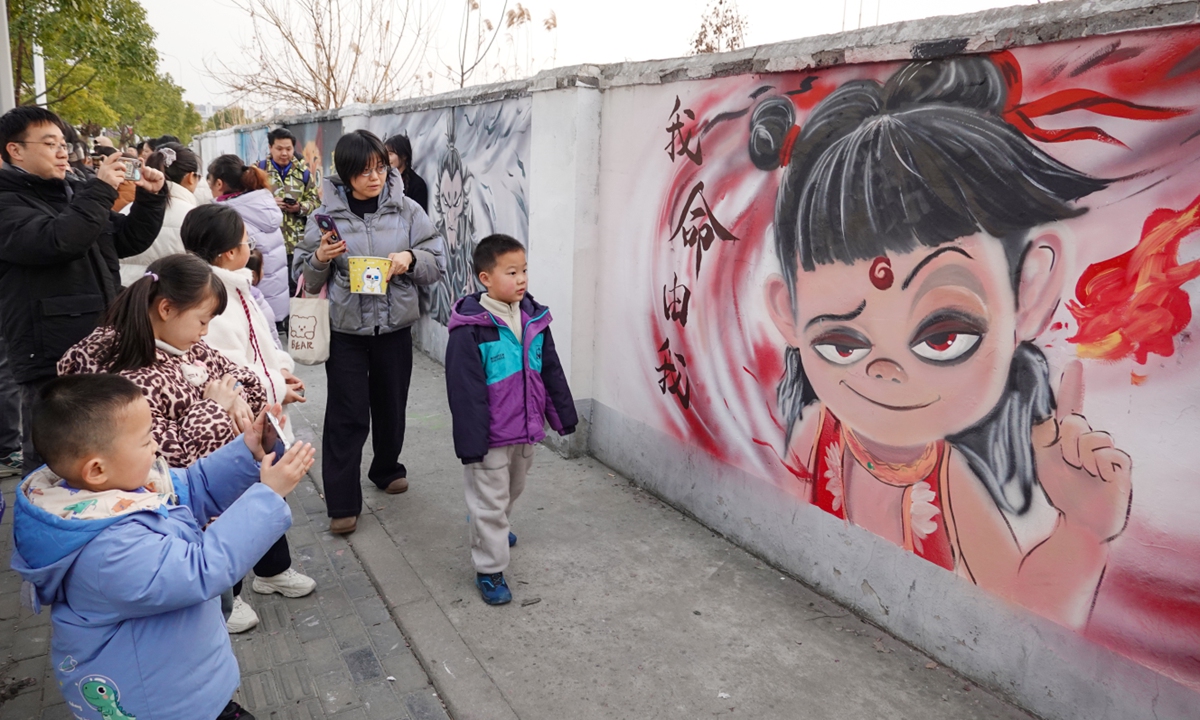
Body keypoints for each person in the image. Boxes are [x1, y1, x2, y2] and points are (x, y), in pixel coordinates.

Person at [750, 56, 1132, 629]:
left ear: (1029, 289)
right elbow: (780, 514)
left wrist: (1084, 531)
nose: (883, 370)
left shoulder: (948, 482)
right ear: (788, 313)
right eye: (842, 342)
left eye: (943, 335)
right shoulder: (818, 433)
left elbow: (1026, 611)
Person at [11, 373, 314, 720]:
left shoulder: (110, 492)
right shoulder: (106, 551)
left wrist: (247, 450)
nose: (155, 446)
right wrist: (268, 496)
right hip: (158, 706)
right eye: (145, 441)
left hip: (177, 684)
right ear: (96, 469)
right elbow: (202, 569)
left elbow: (194, 486)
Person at [57, 253, 315, 631]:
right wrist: (213, 406)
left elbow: (240, 376)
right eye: (202, 320)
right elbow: (167, 463)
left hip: (200, 497)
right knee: (201, 596)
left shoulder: (175, 344)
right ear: (165, 308)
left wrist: (235, 399)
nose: (205, 332)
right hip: (168, 515)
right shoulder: (122, 378)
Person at [0, 105, 167, 475]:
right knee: (53, 465)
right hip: (51, 356)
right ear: (15, 150)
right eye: (50, 144)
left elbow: (125, 239)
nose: (64, 152)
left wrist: (151, 199)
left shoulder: (74, 189)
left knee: (103, 458)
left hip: (102, 342)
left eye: (64, 143)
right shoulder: (8, 201)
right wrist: (100, 189)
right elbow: (59, 240)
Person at [294, 129, 445, 535]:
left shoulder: (408, 211)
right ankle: (342, 502)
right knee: (347, 414)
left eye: (379, 167)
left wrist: (410, 258)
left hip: (395, 327)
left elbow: (436, 261)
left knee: (391, 405)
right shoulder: (325, 218)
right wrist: (321, 259)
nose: (374, 177)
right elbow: (304, 276)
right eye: (363, 172)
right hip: (346, 330)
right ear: (345, 175)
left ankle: (386, 468)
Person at [444, 234, 578, 605]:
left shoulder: (534, 318)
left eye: (524, 271)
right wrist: (471, 442)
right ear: (485, 278)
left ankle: (495, 525)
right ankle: (489, 569)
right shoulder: (470, 328)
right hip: (489, 436)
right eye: (511, 272)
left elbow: (550, 370)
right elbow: (464, 392)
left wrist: (562, 415)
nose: (521, 279)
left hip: (526, 430)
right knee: (489, 499)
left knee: (512, 489)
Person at [182, 204, 305, 415]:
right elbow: (230, 370)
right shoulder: (215, 302)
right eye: (247, 241)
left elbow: (258, 344)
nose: (251, 246)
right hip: (248, 415)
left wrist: (280, 369)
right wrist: (275, 389)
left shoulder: (234, 287)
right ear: (230, 252)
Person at [209, 155, 290, 332]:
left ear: (219, 184)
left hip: (251, 302)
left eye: (210, 181)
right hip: (274, 302)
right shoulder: (262, 202)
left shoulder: (227, 215)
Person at [119, 142, 202, 286]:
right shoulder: (196, 217)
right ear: (190, 177)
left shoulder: (127, 210)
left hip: (125, 297)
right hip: (176, 299)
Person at [259, 127, 319, 303]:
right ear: (270, 148)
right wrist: (269, 203)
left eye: (288, 149)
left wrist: (300, 207)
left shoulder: (304, 173)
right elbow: (248, 202)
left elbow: (316, 203)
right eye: (279, 148)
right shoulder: (258, 171)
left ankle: (293, 324)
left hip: (296, 243)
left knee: (295, 287)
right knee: (268, 286)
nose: (284, 153)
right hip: (267, 243)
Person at [245, 248, 282, 349]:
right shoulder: (259, 301)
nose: (263, 271)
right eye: (262, 268)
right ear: (253, 274)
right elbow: (271, 334)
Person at [384, 134, 428, 213]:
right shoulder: (384, 180)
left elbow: (419, 219)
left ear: (404, 156)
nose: (386, 158)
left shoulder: (417, 184)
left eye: (390, 154)